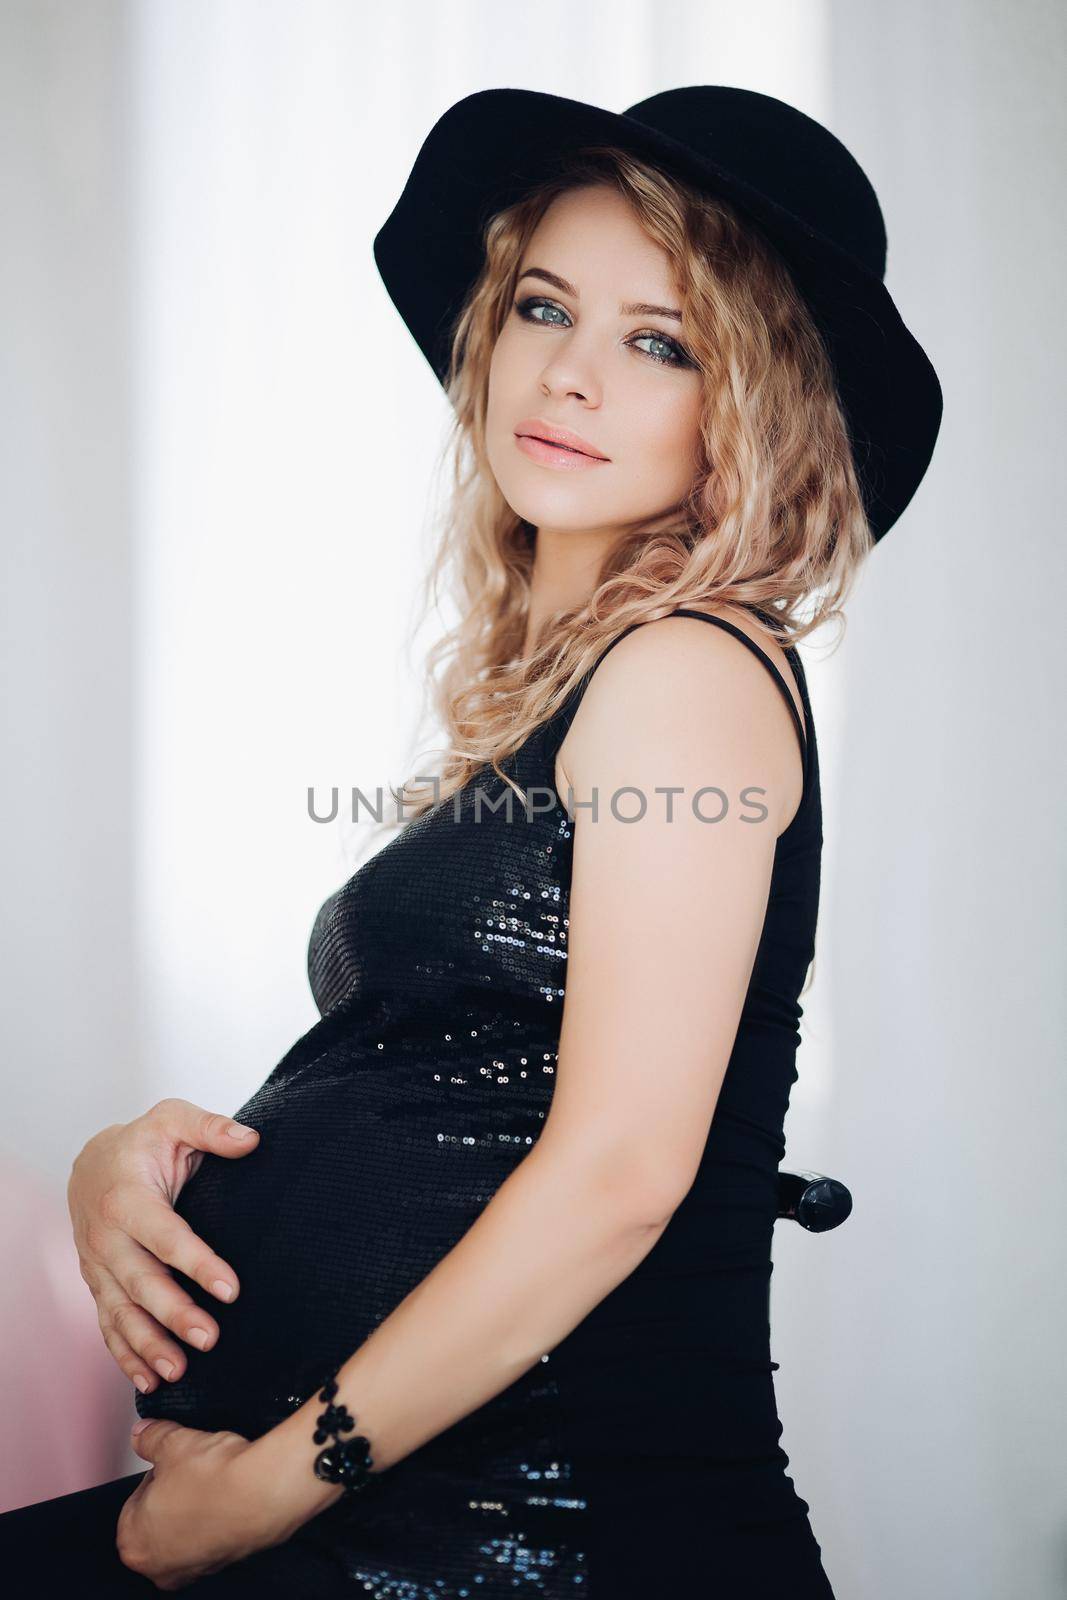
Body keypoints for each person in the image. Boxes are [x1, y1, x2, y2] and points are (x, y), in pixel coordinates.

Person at [0, 86, 941, 1595]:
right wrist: (135, 1167)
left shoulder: (691, 666)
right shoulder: (578, 696)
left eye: (661, 341)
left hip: (548, 1538)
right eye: (543, 306)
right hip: (407, 1524)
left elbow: (621, 1171)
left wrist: (258, 1496)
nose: (569, 375)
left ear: (749, 407)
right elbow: (434, 1086)